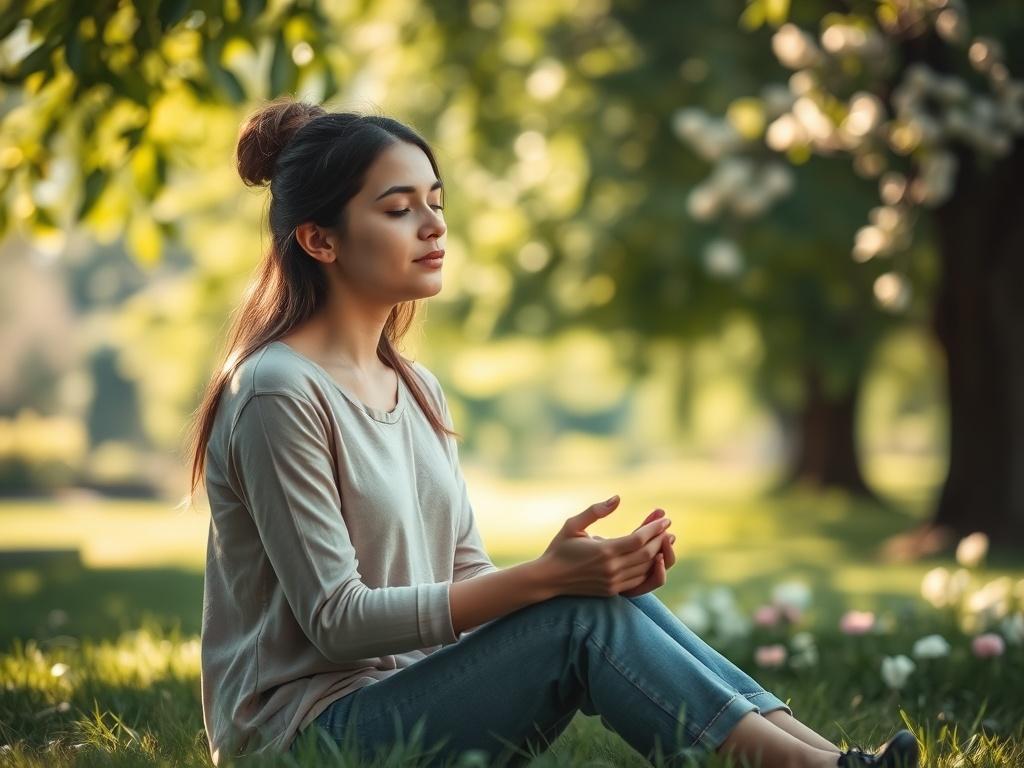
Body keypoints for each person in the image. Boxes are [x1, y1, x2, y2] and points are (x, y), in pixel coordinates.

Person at [186, 97, 920, 768]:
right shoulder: (278, 389)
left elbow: (466, 577)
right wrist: (545, 580)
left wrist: (583, 571)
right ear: (319, 239)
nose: (434, 226)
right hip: (306, 739)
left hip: (411, 697)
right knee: (575, 615)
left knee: (604, 602)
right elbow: (336, 622)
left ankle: (833, 760)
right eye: (399, 209)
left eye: (436, 203)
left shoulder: (415, 386)